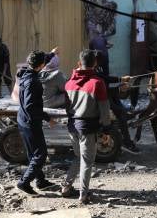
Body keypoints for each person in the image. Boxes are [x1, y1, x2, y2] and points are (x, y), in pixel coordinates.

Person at [61, 50, 112, 203]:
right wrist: (106, 130)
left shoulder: (68, 83)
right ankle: (83, 194)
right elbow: (104, 110)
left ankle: (66, 186)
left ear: (79, 63)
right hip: (88, 129)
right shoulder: (97, 83)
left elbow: (66, 107)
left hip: (72, 127)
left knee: (78, 157)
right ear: (95, 63)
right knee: (87, 162)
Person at [15, 51, 60, 194]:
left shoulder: (24, 72)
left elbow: (40, 59)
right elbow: (31, 107)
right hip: (30, 122)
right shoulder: (33, 82)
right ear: (41, 66)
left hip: (22, 119)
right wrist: (48, 118)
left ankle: (40, 181)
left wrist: (51, 54)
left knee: (33, 154)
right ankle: (24, 182)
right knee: (40, 154)